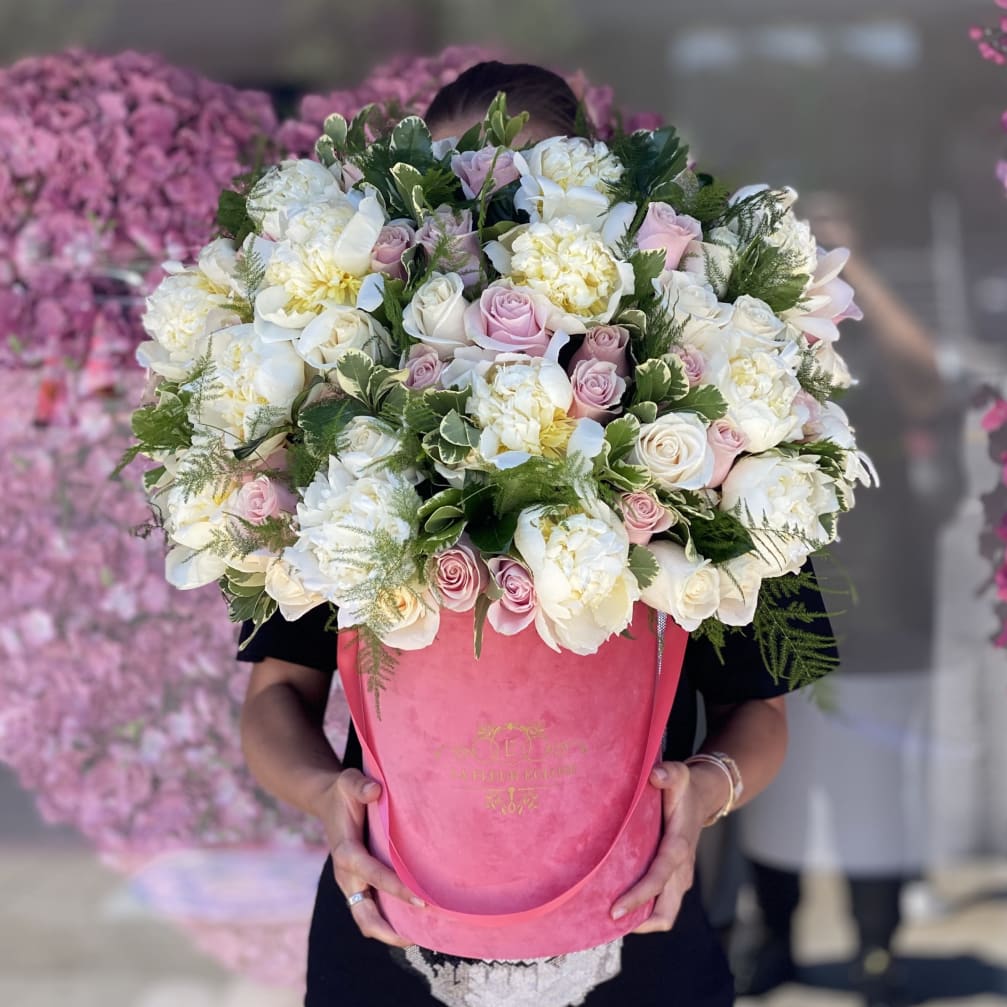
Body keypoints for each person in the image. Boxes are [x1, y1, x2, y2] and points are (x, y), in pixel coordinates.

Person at [237, 61, 835, 1007]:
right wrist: (326, 797)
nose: (489, 231)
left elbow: (756, 711)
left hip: (636, 924)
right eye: (455, 195)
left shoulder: (706, 437)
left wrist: (699, 803)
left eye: (520, 196)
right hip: (389, 930)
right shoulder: (348, 429)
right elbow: (278, 690)